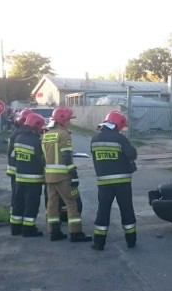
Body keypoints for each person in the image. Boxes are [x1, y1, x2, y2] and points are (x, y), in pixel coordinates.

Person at [41, 107, 91, 242]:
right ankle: (76, 233)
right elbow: (67, 156)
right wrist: (73, 174)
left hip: (49, 176)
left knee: (52, 204)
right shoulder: (64, 135)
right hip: (63, 176)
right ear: (62, 120)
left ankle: (54, 232)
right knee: (72, 202)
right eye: (69, 119)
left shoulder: (46, 134)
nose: (70, 122)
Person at [90, 110, 138, 250]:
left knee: (103, 211)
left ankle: (98, 242)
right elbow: (132, 155)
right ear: (118, 125)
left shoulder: (94, 139)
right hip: (122, 182)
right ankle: (131, 241)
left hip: (104, 183)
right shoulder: (120, 139)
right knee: (127, 210)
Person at [9, 112, 46, 237]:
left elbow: (14, 156)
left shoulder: (18, 138)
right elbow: (41, 159)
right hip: (33, 179)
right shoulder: (36, 141)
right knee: (31, 204)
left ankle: (15, 228)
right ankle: (28, 229)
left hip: (19, 177)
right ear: (36, 126)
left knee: (18, 203)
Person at [7, 109, 36, 215]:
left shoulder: (16, 130)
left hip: (14, 168)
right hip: (17, 169)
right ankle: (15, 216)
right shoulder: (20, 133)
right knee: (18, 196)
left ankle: (14, 217)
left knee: (16, 195)